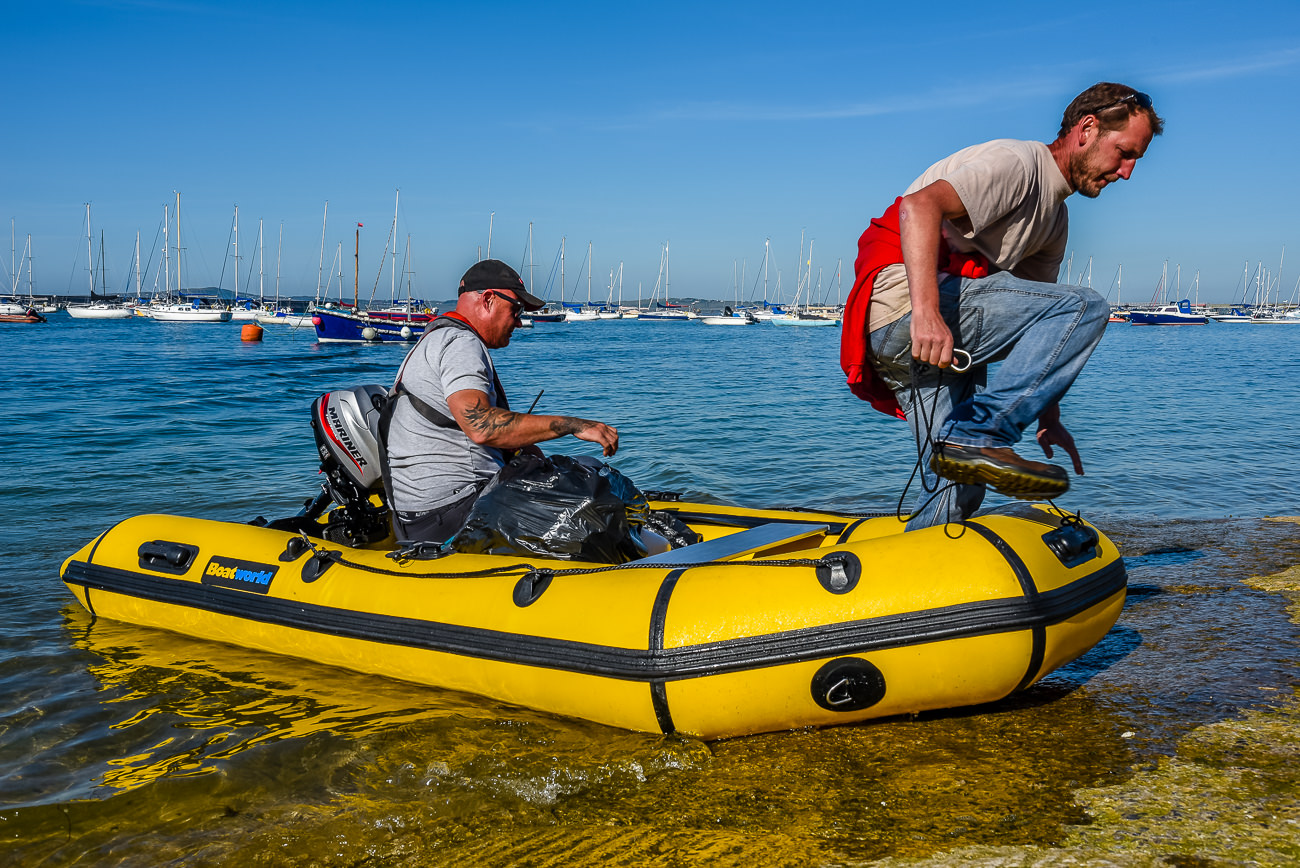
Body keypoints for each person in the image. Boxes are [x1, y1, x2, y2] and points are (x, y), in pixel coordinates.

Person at [840, 82, 1163, 529]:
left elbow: (1039, 328)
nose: (1126, 172)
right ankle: (979, 435)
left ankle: (914, 583)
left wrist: (1048, 414)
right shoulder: (1017, 164)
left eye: (1135, 161)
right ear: (1087, 129)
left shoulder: (1053, 221)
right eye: (1124, 153)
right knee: (1087, 306)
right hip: (907, 312)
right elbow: (917, 207)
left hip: (933, 341)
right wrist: (927, 314)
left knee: (959, 485)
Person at [385, 259, 620, 542]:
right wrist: (573, 425)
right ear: (487, 299)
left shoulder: (434, 339)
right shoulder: (461, 344)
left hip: (420, 516)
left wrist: (521, 445)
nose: (519, 322)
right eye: (516, 309)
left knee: (571, 473)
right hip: (455, 514)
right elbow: (481, 425)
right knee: (593, 486)